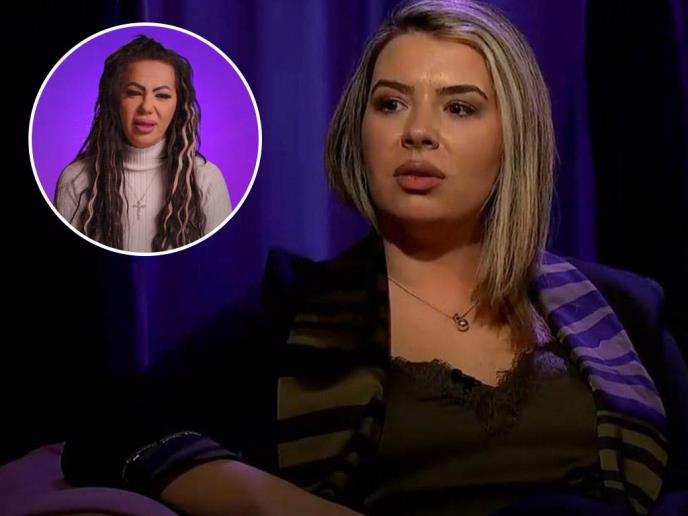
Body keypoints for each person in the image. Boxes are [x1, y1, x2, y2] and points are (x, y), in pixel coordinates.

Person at [61, 1, 688, 515]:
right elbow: (111, 433)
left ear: (513, 143)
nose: (417, 132)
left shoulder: (625, 306)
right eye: (390, 103)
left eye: (459, 107)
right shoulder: (293, 310)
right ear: (358, 133)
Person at [54, 35, 232, 253]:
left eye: (162, 95)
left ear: (178, 106)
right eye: (134, 93)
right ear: (114, 101)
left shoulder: (206, 180)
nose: (146, 107)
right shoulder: (75, 180)